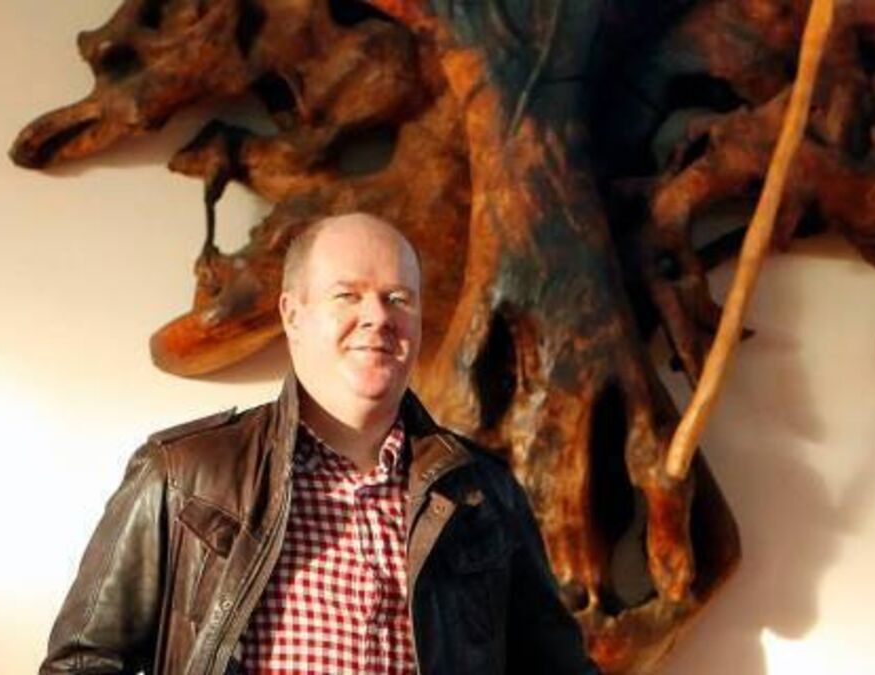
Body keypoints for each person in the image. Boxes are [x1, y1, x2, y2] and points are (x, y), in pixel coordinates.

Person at [40, 212, 598, 674]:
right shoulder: (182, 475)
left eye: (398, 298)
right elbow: (82, 663)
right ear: (293, 314)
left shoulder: (484, 494)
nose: (377, 317)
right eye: (347, 295)